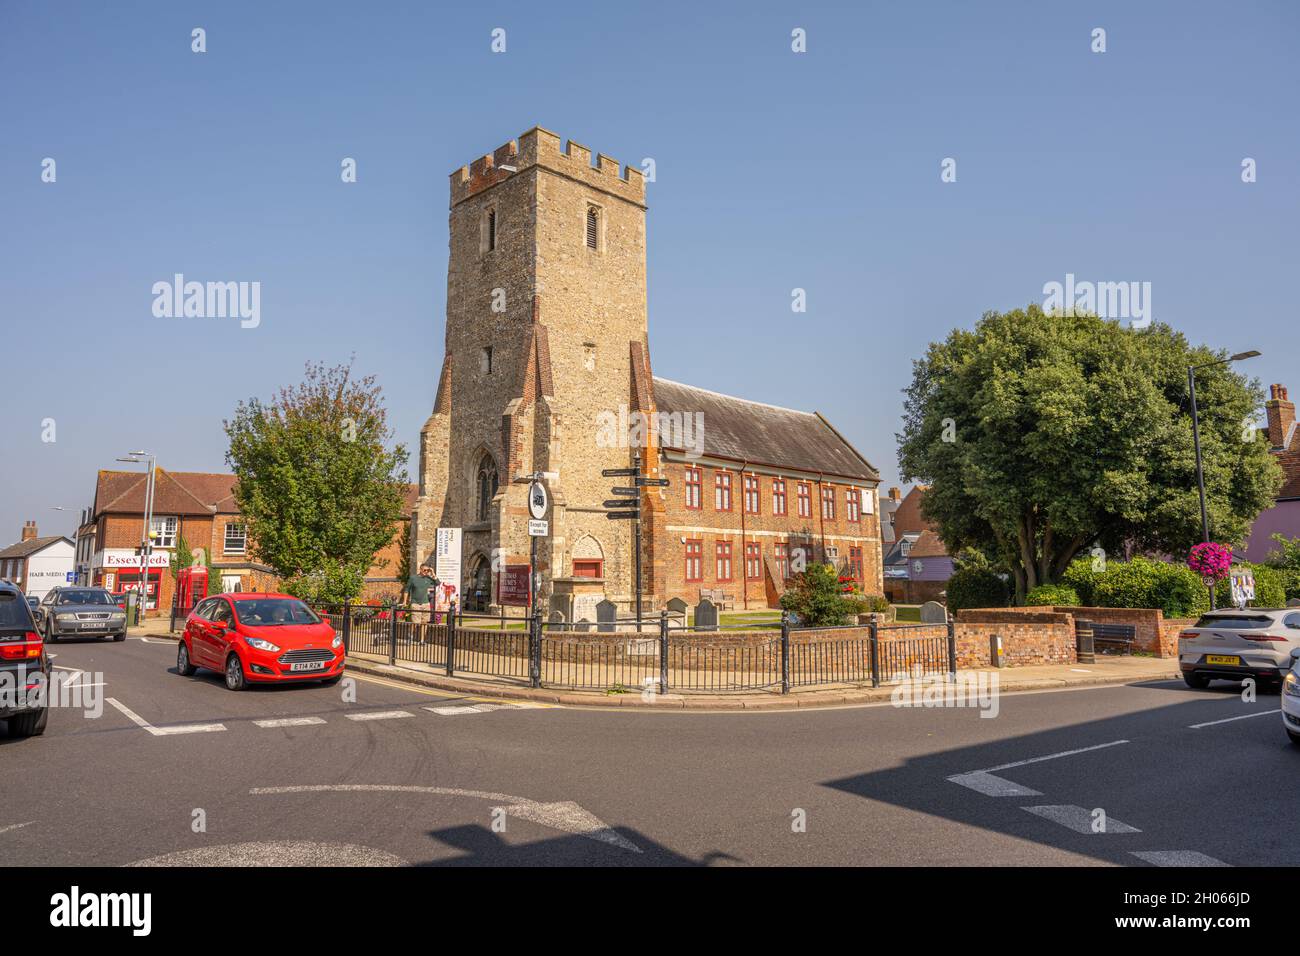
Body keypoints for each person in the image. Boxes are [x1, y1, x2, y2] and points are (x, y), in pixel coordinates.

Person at [406, 563, 438, 634]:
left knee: (424, 623)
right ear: (420, 569)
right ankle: (410, 635)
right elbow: (406, 589)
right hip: (415, 603)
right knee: (415, 623)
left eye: (427, 570)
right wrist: (405, 602)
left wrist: (432, 573)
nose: (426, 572)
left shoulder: (428, 578)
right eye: (424, 570)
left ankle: (422, 640)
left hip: (425, 604)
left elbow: (438, 583)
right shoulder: (413, 578)